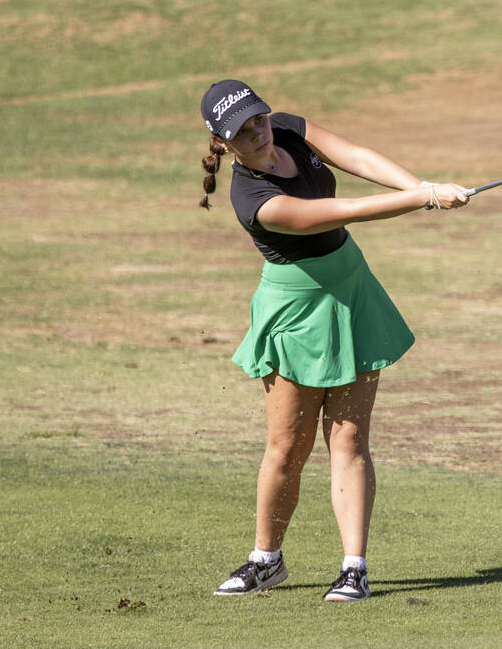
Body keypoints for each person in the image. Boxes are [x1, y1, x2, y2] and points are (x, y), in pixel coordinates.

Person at [197, 79, 468, 602]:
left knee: (348, 438)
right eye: (242, 131)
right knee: (286, 448)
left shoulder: (290, 130)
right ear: (222, 143)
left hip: (351, 292)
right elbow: (344, 213)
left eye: (259, 119)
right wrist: (421, 199)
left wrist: (423, 187)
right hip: (296, 309)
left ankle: (354, 568)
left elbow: (358, 157)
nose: (258, 133)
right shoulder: (253, 198)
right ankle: (266, 559)